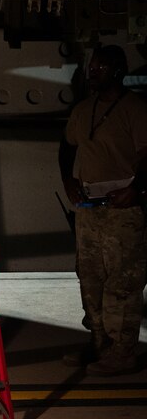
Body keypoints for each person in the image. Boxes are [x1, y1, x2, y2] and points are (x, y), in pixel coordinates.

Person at [59, 45, 147, 376]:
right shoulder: (84, 110)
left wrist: (136, 189)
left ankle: (123, 351)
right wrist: (68, 180)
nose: (93, 72)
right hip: (89, 207)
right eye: (91, 66)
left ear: (118, 71)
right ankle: (99, 343)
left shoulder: (135, 109)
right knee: (90, 277)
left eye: (101, 67)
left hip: (123, 209)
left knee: (123, 279)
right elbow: (66, 147)